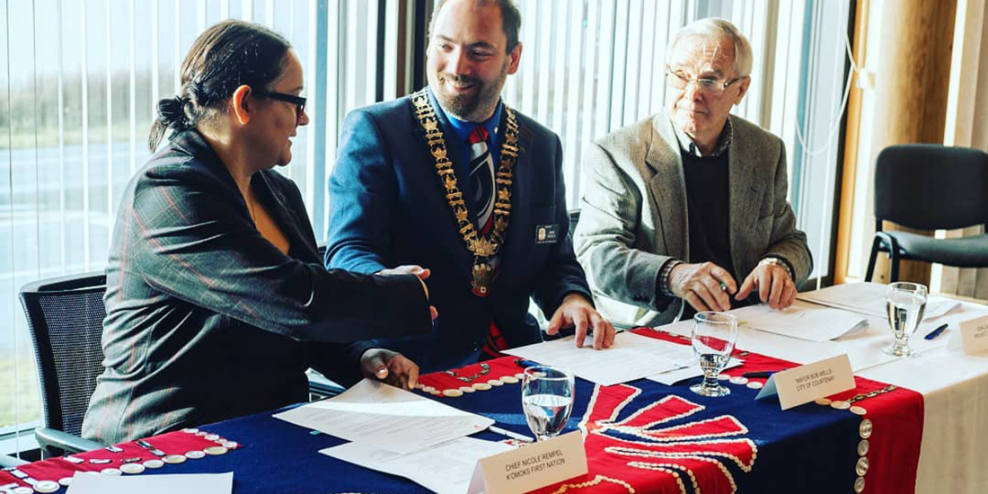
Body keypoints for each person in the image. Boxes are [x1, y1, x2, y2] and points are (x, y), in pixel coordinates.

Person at [82, 20, 434, 444]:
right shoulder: (168, 192)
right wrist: (398, 292)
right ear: (245, 103)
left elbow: (297, 323)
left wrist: (361, 355)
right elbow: (294, 299)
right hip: (161, 445)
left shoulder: (278, 192)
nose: (303, 119)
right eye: (295, 101)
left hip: (266, 432)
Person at [326, 0, 615, 374]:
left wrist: (572, 298)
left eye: (478, 52)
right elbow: (349, 249)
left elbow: (554, 259)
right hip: (412, 366)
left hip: (519, 362)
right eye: (445, 46)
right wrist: (383, 283)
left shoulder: (541, 145)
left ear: (513, 59)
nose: (457, 67)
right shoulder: (377, 130)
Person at [574, 18, 812, 327]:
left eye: (710, 80)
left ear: (741, 89)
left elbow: (792, 240)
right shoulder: (618, 153)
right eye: (681, 76)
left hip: (748, 325)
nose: (692, 93)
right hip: (658, 330)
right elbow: (597, 256)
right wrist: (671, 275)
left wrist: (779, 264)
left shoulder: (765, 151)